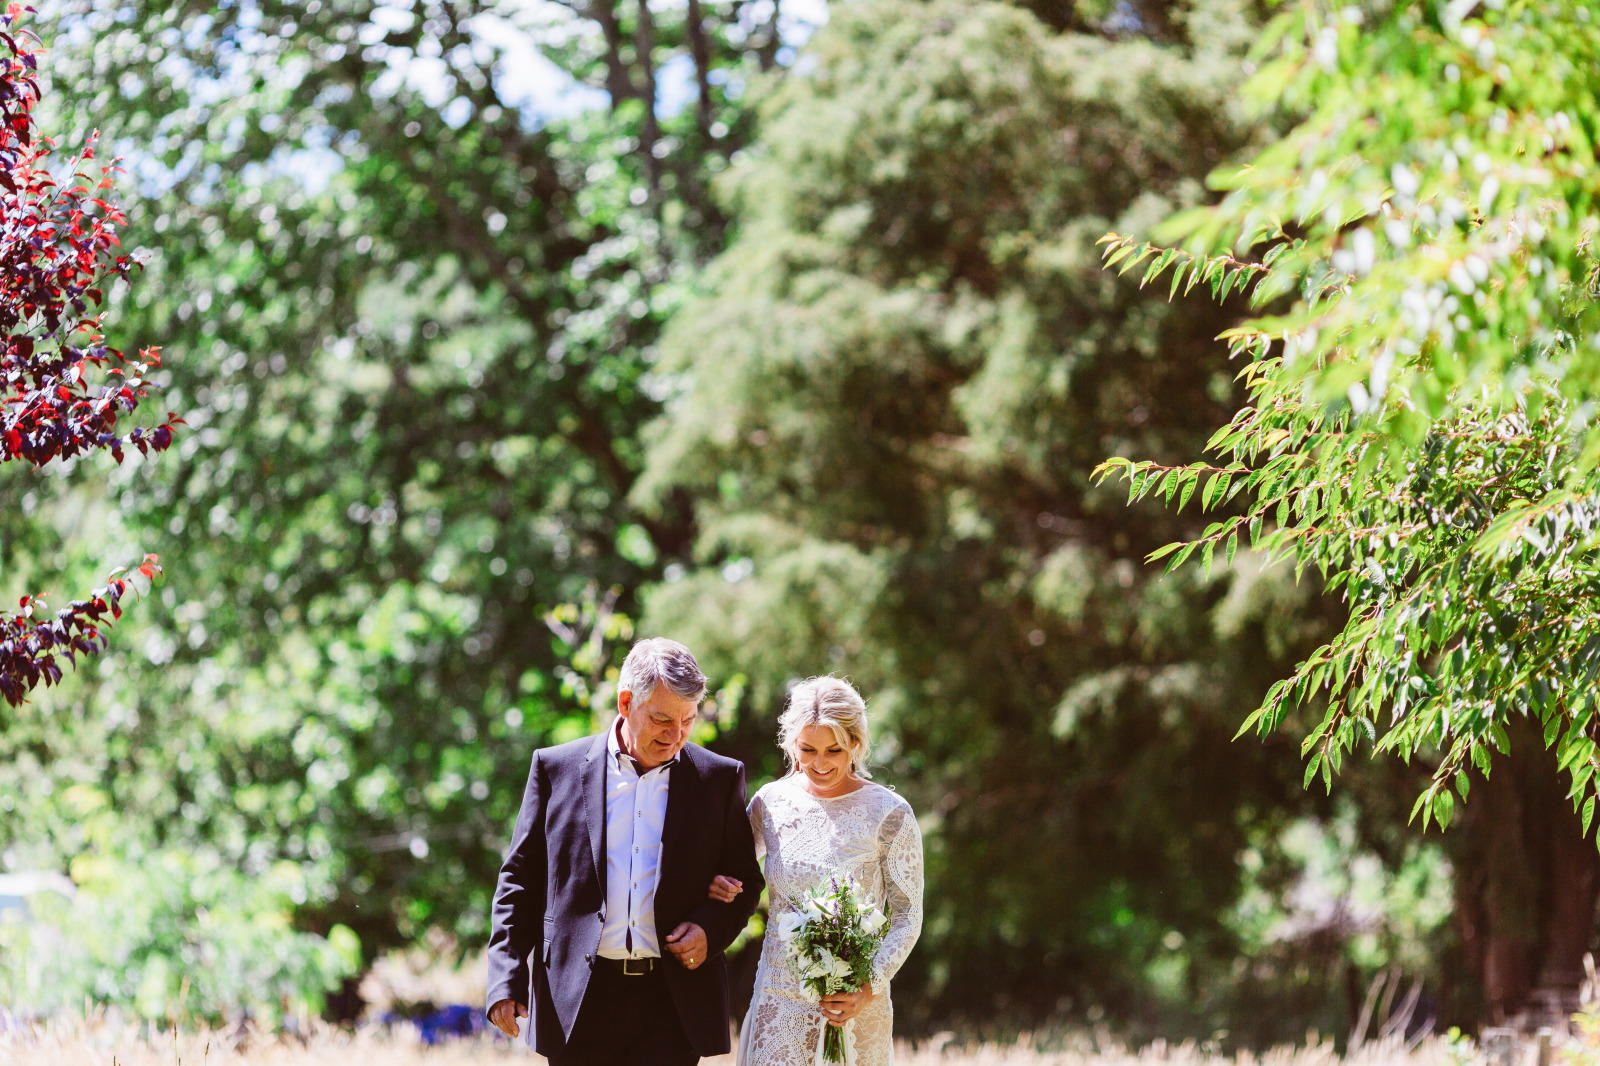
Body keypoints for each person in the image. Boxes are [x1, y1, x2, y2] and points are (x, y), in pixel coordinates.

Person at [486, 638, 764, 1065]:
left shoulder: (719, 778)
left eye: (688, 720)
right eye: (661, 719)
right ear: (625, 702)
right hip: (577, 1002)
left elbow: (744, 881)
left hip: (672, 1007)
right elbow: (519, 880)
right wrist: (506, 976)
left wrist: (709, 930)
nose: (675, 734)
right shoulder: (555, 768)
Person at [711, 676, 923, 1066]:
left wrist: (866, 988)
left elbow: (907, 916)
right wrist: (721, 884)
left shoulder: (890, 814)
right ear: (791, 743)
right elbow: (730, 867)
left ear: (855, 744)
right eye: (807, 749)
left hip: (854, 1004)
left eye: (833, 750)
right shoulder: (770, 802)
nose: (820, 764)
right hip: (779, 998)